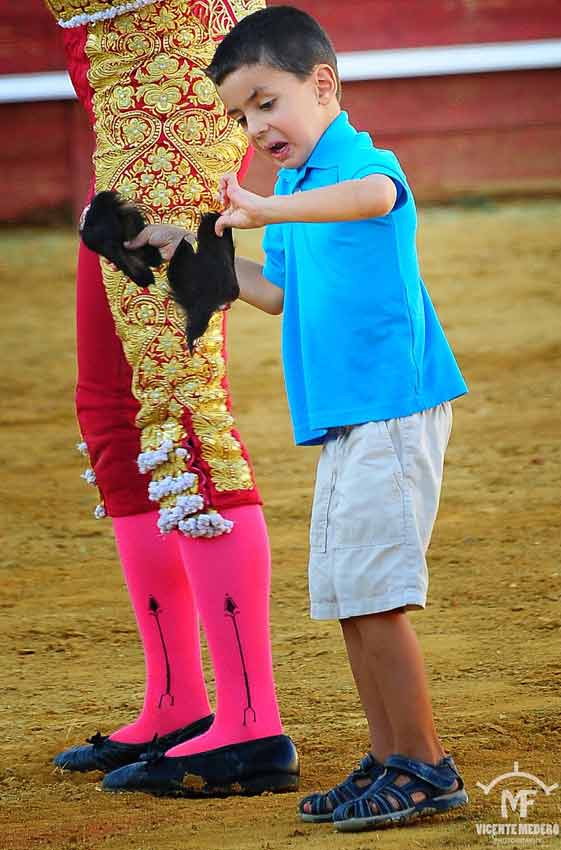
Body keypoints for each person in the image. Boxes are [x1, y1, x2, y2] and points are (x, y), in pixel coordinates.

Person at [118, 4, 471, 829]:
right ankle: (390, 757)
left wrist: (268, 212)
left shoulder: (358, 164)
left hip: (391, 407)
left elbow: (377, 196)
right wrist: (187, 252)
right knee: (352, 594)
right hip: (350, 416)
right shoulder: (291, 186)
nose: (255, 126)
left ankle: (424, 763)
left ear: (322, 84)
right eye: (240, 115)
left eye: (266, 101)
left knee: (375, 596)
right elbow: (278, 295)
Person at [41, 0, 298, 796]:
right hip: (122, 95)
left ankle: (252, 724)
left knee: (179, 401)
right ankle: (179, 701)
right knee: (114, 408)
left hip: (166, 77)